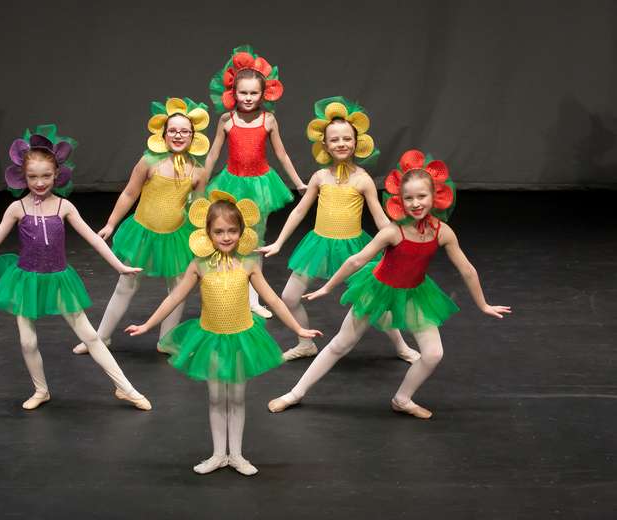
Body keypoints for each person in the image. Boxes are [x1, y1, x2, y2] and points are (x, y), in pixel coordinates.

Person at [268, 150, 510, 419]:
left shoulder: (443, 233)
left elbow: (467, 270)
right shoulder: (393, 232)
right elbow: (356, 261)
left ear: (435, 197)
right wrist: (328, 287)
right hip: (377, 289)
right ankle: (295, 393)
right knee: (340, 345)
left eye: (421, 196)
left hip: (414, 293)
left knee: (432, 354)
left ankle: (402, 398)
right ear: (400, 201)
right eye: (409, 198)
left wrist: (483, 304)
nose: (416, 203)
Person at [0, 125, 151, 411]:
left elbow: (93, 238)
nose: (40, 183)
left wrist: (119, 266)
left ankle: (126, 388)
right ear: (23, 177)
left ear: (57, 175)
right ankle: (41, 390)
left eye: (46, 176)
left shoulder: (64, 207)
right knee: (28, 343)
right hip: (26, 280)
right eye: (33, 177)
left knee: (90, 336)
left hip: (58, 279)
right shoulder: (17, 209)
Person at [126, 191, 321, 474]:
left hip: (242, 338)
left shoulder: (249, 264)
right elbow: (174, 298)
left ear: (242, 232)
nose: (226, 237)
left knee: (238, 397)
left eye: (232, 230)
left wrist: (298, 328)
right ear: (208, 233)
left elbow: (275, 300)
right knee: (217, 398)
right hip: (211, 340)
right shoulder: (199, 265)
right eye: (219, 231)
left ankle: (237, 455)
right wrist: (148, 324)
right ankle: (219, 454)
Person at [258, 97, 418, 363]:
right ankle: (305, 342)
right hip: (319, 245)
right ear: (325, 145)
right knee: (289, 296)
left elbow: (379, 217)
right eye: (335, 140)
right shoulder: (320, 178)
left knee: (372, 300)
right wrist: (279, 242)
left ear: (357, 142)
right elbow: (299, 211)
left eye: (347, 138)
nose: (341, 144)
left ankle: (401, 346)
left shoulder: (363, 179)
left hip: (353, 248)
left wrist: (398, 243)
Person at [72, 98, 210, 354]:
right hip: (143, 233)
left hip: (175, 236)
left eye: (184, 131)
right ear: (163, 134)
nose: (178, 135)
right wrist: (111, 223)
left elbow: (198, 207)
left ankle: (167, 340)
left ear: (193, 136)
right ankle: (101, 337)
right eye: (173, 131)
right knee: (127, 283)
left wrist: (203, 236)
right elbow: (129, 194)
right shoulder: (149, 161)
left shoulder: (198, 172)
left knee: (178, 287)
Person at [204, 45, 307, 318]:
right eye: (243, 93)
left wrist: (298, 182)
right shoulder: (227, 120)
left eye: (253, 93)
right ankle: (227, 291)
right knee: (229, 236)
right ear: (233, 93)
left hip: (260, 186)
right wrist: (200, 184)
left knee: (255, 240)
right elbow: (214, 153)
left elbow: (282, 154)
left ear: (263, 94)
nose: (248, 98)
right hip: (232, 183)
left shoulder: (268, 119)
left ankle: (253, 300)